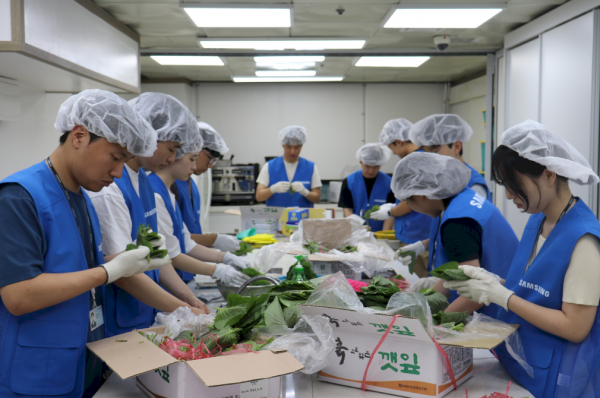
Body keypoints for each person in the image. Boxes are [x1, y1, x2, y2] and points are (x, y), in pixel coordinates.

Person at [0, 89, 171, 398]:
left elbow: (76, 266)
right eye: (115, 158)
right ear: (78, 135)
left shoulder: (82, 197)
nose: (118, 172)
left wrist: (131, 260)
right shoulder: (19, 197)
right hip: (37, 373)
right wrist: (109, 271)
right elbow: (19, 294)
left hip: (84, 362)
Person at [445, 120, 600, 398]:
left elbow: (575, 327)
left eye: (515, 184)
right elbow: (536, 289)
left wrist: (502, 296)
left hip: (555, 377)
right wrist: (493, 283)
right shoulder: (538, 221)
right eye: (504, 184)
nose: (508, 195)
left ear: (549, 174)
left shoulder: (584, 239)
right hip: (518, 363)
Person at [88, 92, 210, 339]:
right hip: (119, 319)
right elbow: (123, 271)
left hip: (145, 311)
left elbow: (156, 257)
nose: (173, 158)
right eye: (171, 148)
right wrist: (182, 309)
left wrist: (188, 298)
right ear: (146, 134)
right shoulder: (111, 189)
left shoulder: (142, 181)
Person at [391, 151, 518, 317]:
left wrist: (433, 324)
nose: (411, 208)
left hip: (499, 311)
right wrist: (427, 297)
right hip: (511, 290)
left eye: (408, 202)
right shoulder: (464, 198)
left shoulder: (456, 222)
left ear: (421, 195)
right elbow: (463, 271)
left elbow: (476, 293)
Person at [146, 118, 250, 286]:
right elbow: (171, 254)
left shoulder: (170, 192)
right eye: (192, 159)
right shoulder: (155, 193)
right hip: (167, 281)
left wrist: (224, 258)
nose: (195, 167)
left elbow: (185, 242)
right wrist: (217, 269)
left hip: (182, 277)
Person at [373, 118, 433, 277]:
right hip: (420, 233)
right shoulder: (424, 157)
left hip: (416, 235)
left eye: (391, 146)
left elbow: (409, 203)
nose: (392, 152)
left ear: (398, 142)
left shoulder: (412, 162)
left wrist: (390, 212)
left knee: (419, 285)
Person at [172, 122, 241, 254]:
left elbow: (191, 231)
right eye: (210, 159)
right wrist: (213, 240)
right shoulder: (171, 185)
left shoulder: (191, 185)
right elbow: (174, 238)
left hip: (189, 267)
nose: (210, 166)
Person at [409, 114, 490, 199]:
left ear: (456, 147)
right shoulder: (440, 179)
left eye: (435, 152)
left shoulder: (474, 185)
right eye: (426, 153)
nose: (431, 159)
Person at [255, 125, 321, 207]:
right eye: (288, 147)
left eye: (297, 147)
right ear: (283, 145)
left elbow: (317, 198)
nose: (292, 151)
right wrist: (272, 189)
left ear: (301, 146)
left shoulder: (311, 167)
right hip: (277, 218)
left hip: (303, 218)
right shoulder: (269, 166)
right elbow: (259, 197)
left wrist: (306, 192)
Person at [338, 143, 394, 232]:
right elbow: (348, 210)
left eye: (376, 167)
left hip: (380, 232)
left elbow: (391, 212)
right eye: (367, 166)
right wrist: (355, 232)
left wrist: (383, 235)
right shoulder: (349, 181)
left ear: (381, 164)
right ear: (360, 162)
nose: (371, 171)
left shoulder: (389, 183)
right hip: (356, 232)